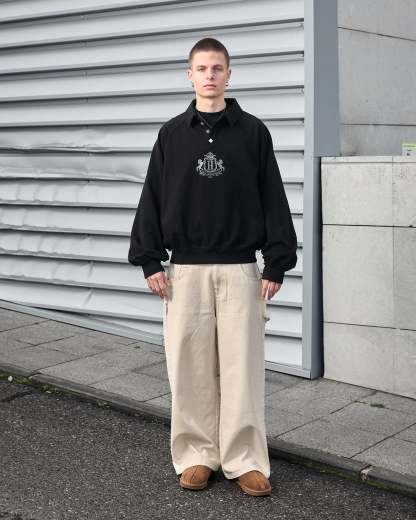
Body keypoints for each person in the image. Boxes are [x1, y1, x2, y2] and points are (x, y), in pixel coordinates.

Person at [128, 37, 297, 497]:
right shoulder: (171, 135)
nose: (209, 75)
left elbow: (273, 196)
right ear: (190, 75)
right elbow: (152, 197)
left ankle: (245, 459)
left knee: (243, 369)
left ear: (229, 74)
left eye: (217, 68)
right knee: (189, 368)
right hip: (185, 272)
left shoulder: (253, 132)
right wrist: (149, 258)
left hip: (241, 269)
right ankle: (196, 455)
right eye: (201, 68)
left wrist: (277, 262)